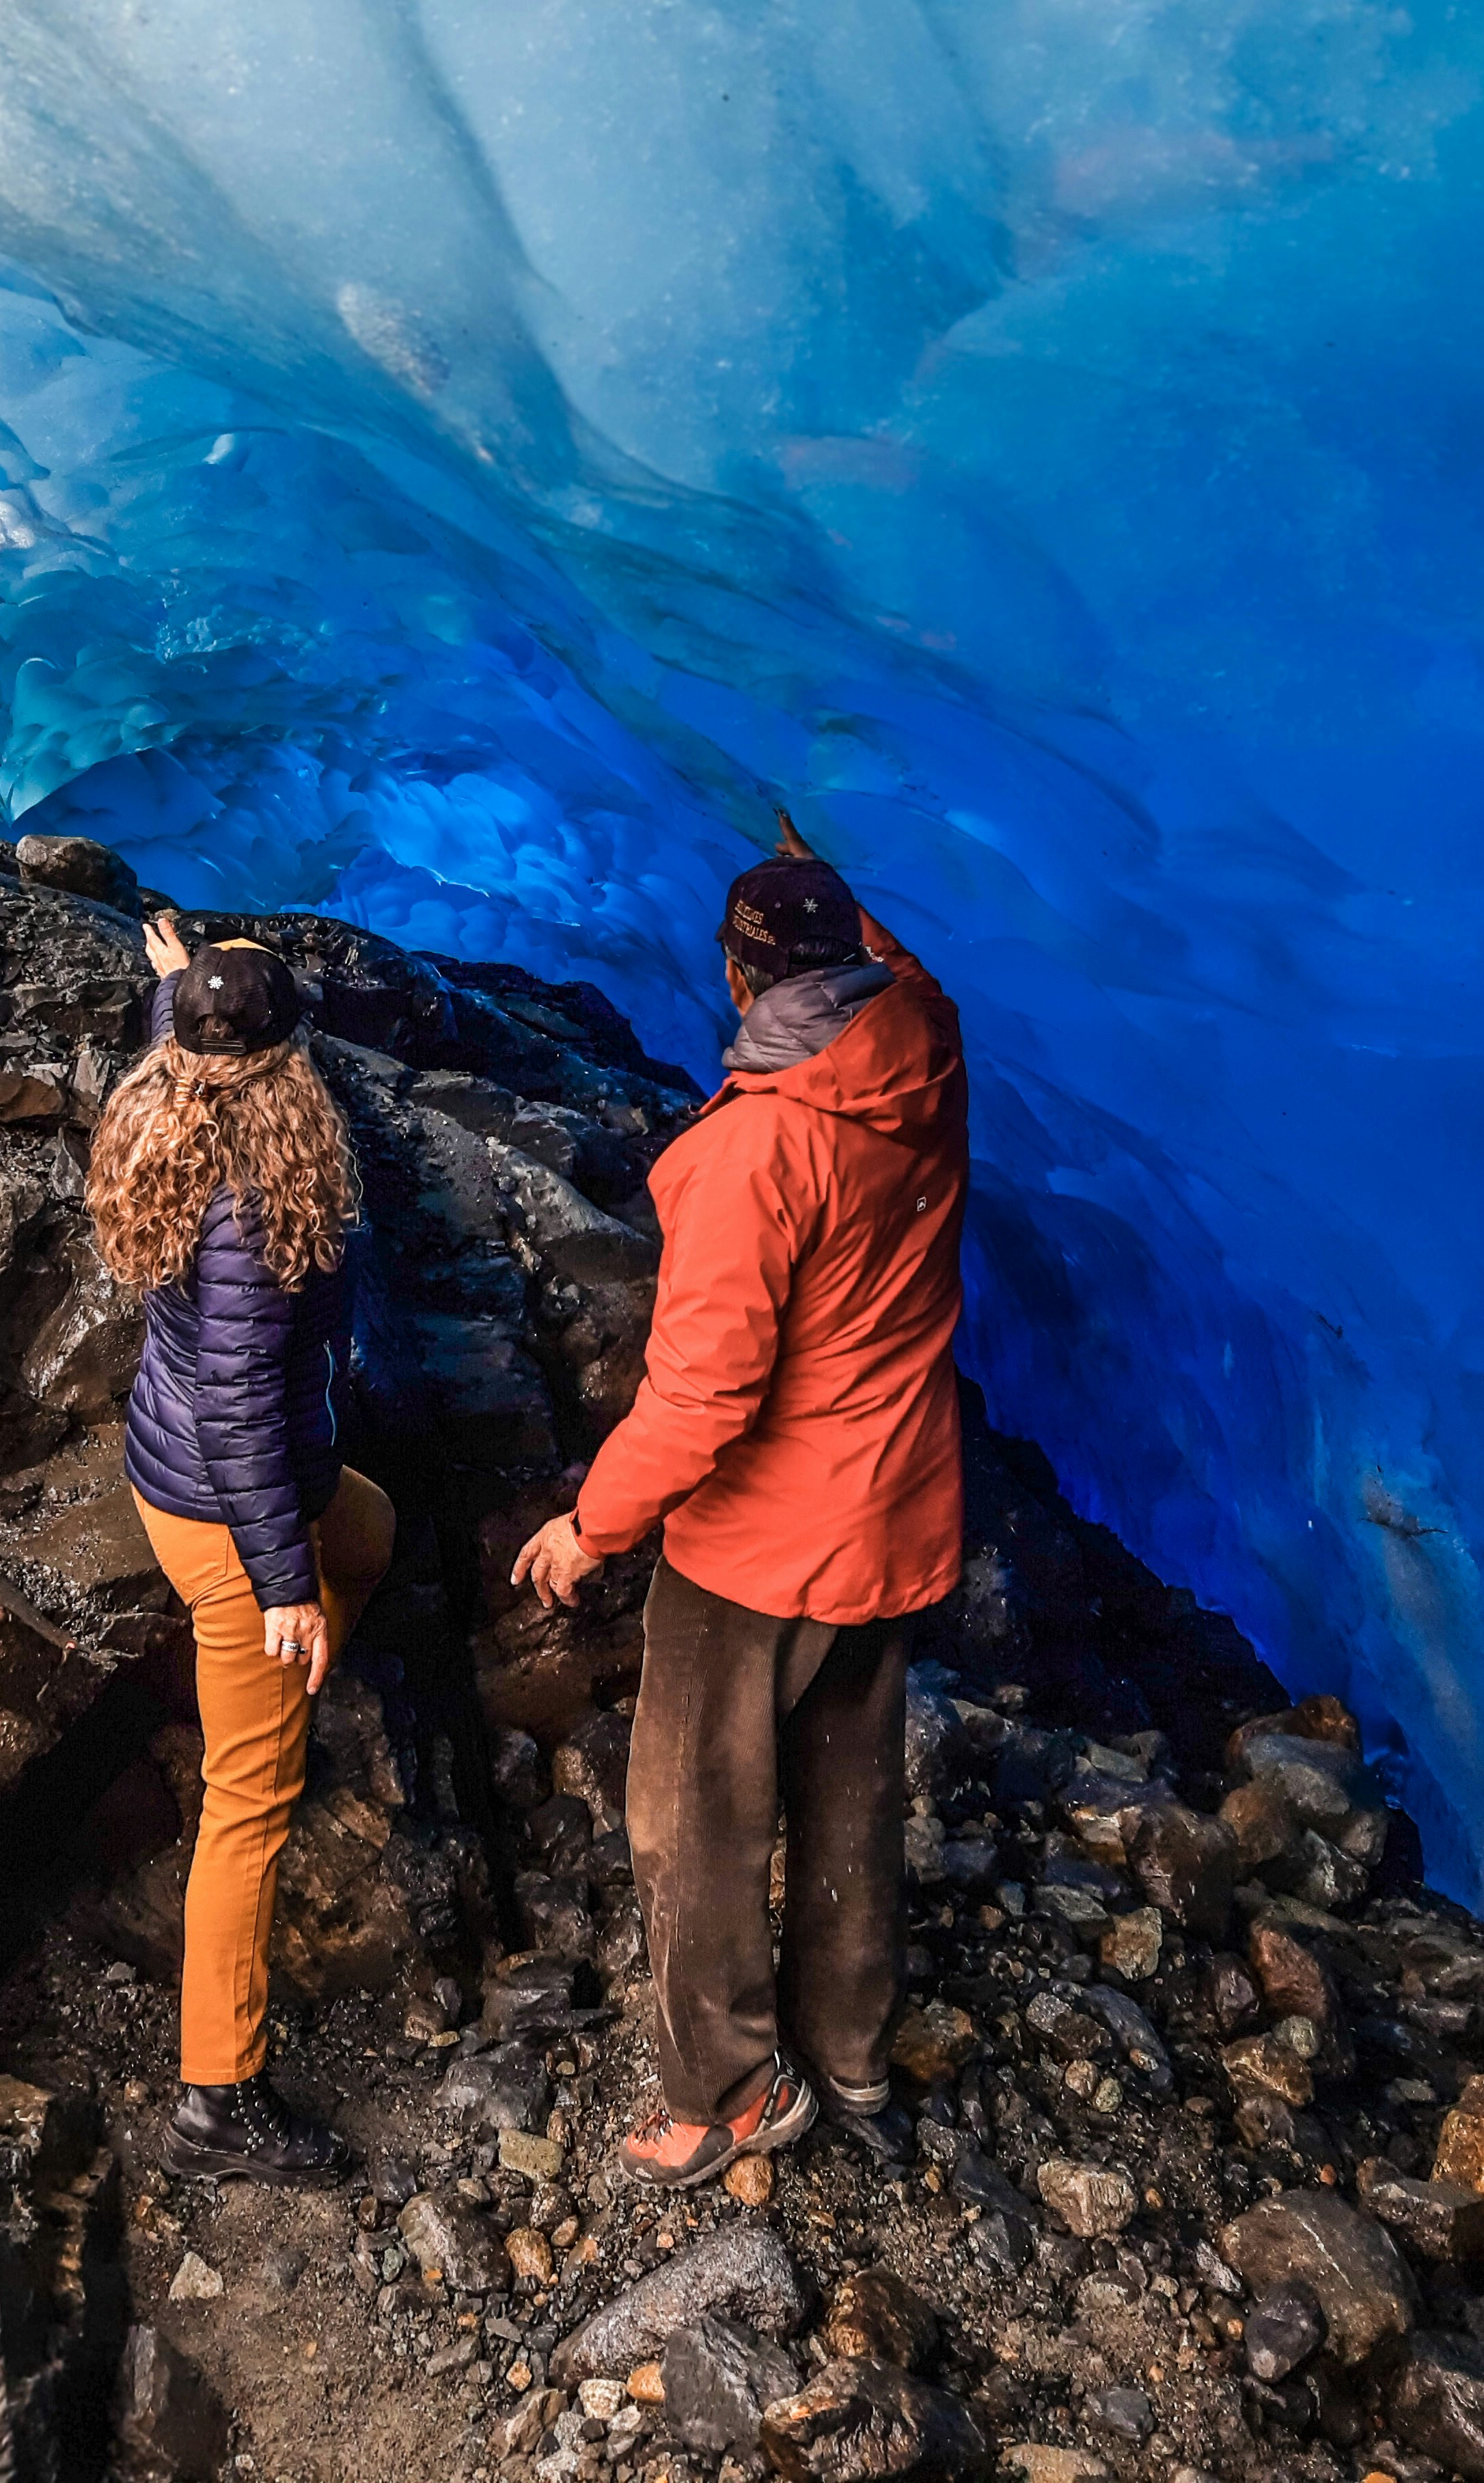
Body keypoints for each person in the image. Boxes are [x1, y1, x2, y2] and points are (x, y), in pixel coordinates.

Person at [514, 812, 969, 2189]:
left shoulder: (755, 1153)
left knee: (694, 1818)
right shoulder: (928, 1048)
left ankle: (726, 2092)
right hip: (896, 1513)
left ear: (735, 977)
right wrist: (821, 871)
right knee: (850, 1793)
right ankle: (850, 2048)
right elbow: (907, 968)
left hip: (761, 1549)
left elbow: (703, 1396)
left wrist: (590, 1526)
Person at [89, 914, 395, 2187]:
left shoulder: (171, 1089)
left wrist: (178, 985)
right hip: (225, 1510)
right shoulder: (258, 1206)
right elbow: (236, 1409)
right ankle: (217, 2101)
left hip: (186, 1476)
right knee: (248, 1813)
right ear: (283, 1061)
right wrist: (282, 1591)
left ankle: (262, 1697)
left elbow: (189, 1026)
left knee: (368, 1531)